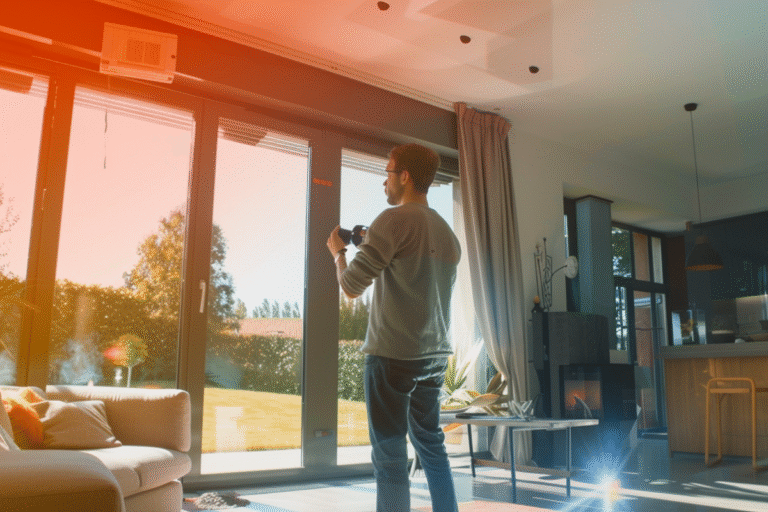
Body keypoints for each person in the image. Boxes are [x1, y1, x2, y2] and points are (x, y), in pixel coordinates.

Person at [327, 143, 461, 512]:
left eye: (387, 173)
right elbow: (409, 269)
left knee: (389, 456)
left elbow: (352, 286)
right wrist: (369, 241)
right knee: (431, 446)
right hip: (433, 358)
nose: (383, 182)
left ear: (404, 176)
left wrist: (338, 253)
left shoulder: (392, 221)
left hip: (392, 357)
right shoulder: (448, 234)